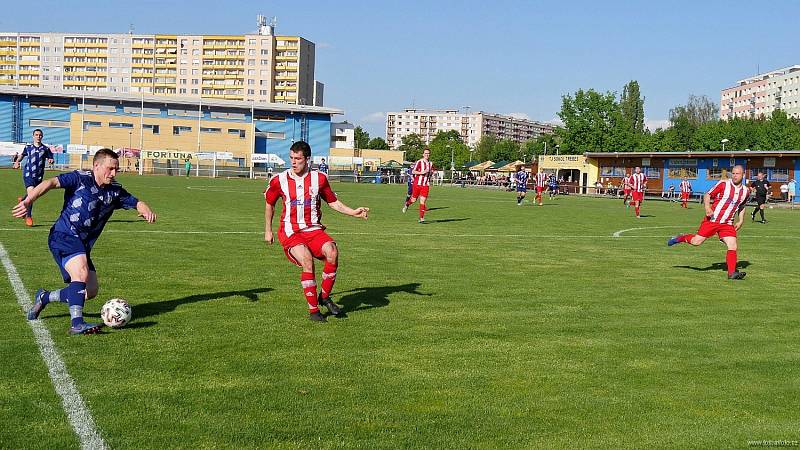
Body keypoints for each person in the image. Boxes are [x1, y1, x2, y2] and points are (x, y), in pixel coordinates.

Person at [13, 148, 157, 334]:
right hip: (63, 235)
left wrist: (145, 209)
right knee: (80, 272)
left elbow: (136, 201)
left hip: (81, 245)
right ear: (96, 166)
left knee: (90, 290)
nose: (113, 174)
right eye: (110, 169)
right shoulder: (79, 178)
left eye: (116, 170)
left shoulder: (115, 191)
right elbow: (49, 183)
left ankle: (45, 297)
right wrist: (28, 201)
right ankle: (77, 324)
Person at [263, 141, 369, 322]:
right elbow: (269, 203)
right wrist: (268, 230)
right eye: (291, 158)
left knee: (332, 252)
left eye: (298, 159)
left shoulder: (319, 178)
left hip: (313, 229)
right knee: (306, 259)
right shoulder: (279, 180)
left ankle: (325, 296)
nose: (293, 162)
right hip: (291, 231)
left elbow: (332, 201)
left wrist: (353, 212)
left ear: (307, 160)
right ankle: (314, 311)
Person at [668, 165, 749, 280]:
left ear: (743, 175)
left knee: (732, 245)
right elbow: (708, 194)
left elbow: (742, 206)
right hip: (712, 220)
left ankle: (731, 273)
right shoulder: (724, 184)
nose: (735, 176)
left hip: (727, 223)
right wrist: (707, 208)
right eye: (734, 173)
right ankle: (680, 238)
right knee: (696, 242)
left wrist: (741, 220)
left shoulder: (746, 191)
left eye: (738, 174)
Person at [12, 129, 54, 227]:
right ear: (33, 136)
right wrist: (17, 162)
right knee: (32, 195)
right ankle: (28, 216)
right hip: (28, 174)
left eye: (40, 135)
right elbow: (21, 156)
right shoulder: (28, 147)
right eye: (36, 135)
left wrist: (51, 160)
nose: (38, 136)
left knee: (33, 195)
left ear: (42, 136)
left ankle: (23, 200)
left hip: (39, 176)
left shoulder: (45, 149)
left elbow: (51, 158)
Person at [402, 148, 433, 223]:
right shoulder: (419, 162)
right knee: (413, 200)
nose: (427, 155)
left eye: (428, 153)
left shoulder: (431, 163)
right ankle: (407, 204)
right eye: (425, 153)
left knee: (422, 201)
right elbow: (413, 171)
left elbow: (431, 172)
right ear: (423, 154)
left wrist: (431, 174)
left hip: (425, 185)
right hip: (417, 184)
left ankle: (421, 218)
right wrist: (422, 172)